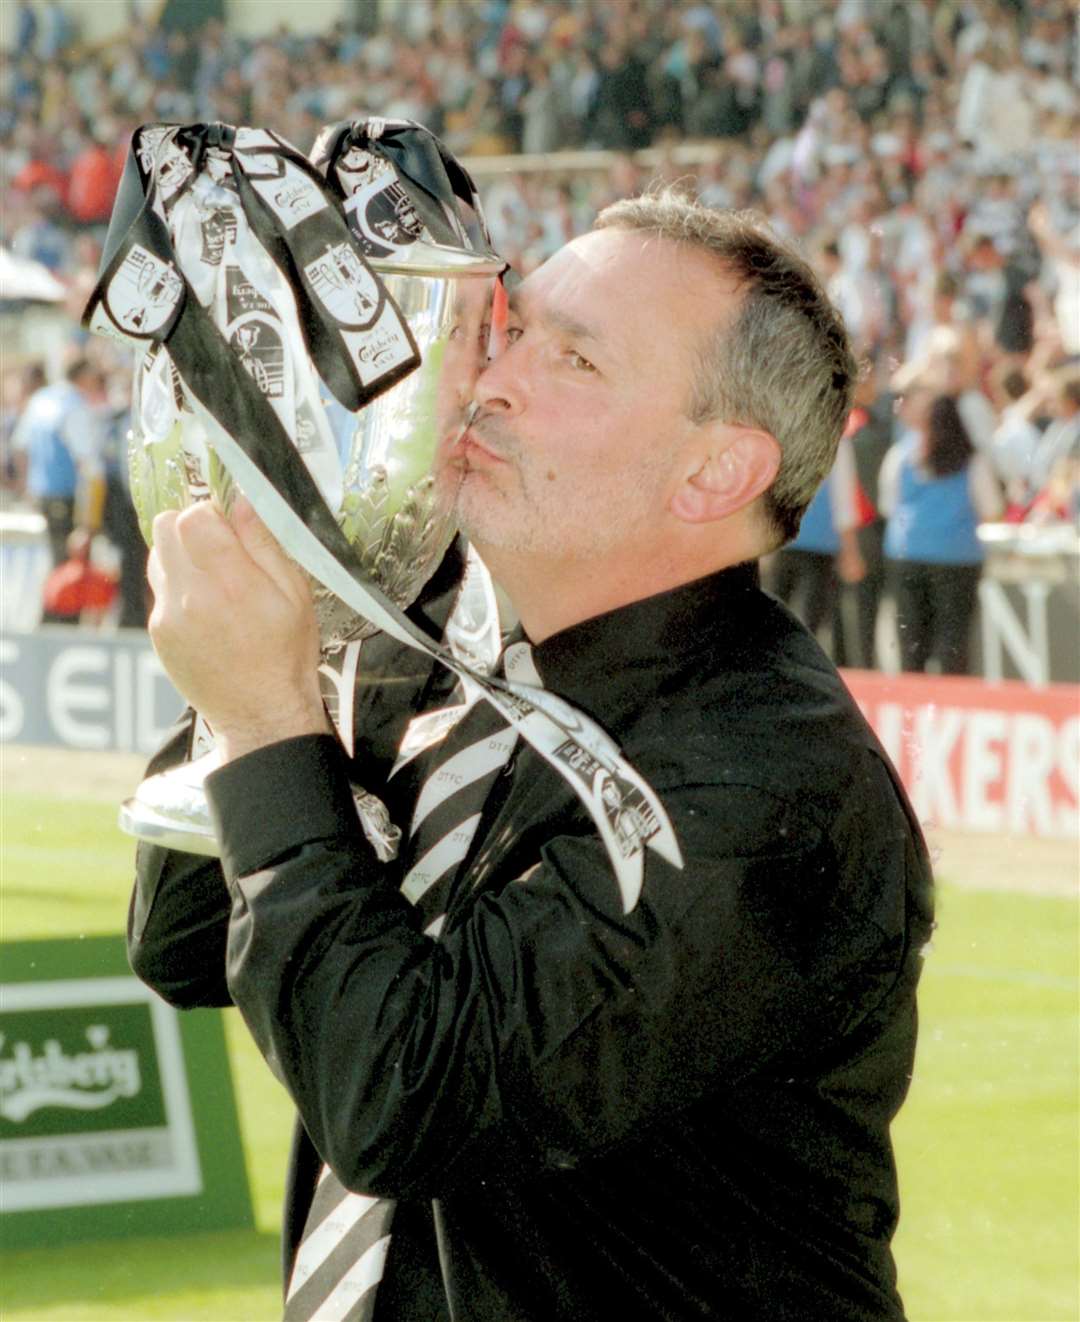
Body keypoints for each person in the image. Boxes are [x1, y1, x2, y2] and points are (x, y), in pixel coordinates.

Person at [130, 193, 934, 1320]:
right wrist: (308, 581)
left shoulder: (768, 776)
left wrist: (269, 717)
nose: (493, 377)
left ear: (714, 473)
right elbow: (181, 942)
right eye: (512, 330)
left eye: (576, 361)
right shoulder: (442, 637)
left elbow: (402, 1095)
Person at [881, 379, 1004, 675]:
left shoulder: (901, 456)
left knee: (911, 643)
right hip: (956, 558)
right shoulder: (971, 462)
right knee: (953, 643)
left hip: (907, 554)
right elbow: (992, 509)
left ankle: (911, 708)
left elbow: (888, 505)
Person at [9, 356, 106, 568]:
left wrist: (26, 485)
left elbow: (20, 446)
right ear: (83, 376)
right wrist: (88, 522)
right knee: (71, 569)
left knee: (55, 562)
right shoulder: (75, 406)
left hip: (42, 492)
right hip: (68, 495)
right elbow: (89, 462)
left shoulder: (40, 399)